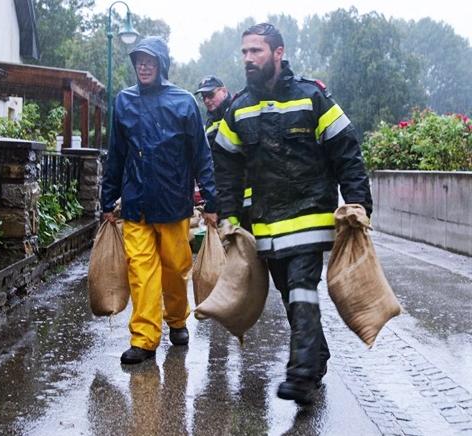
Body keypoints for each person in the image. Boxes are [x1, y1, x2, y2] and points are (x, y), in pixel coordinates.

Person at [215, 23, 373, 403]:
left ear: (278, 52)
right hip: (267, 226)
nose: (248, 59)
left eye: (256, 51)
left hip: (309, 220)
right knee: (292, 297)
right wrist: (228, 215)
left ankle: (301, 375)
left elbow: (346, 150)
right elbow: (226, 164)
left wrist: (358, 203)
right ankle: (316, 355)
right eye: (244, 52)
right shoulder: (238, 109)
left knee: (303, 288)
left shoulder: (311, 97)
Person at [101, 36, 219, 365]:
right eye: (138, 60)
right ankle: (144, 338)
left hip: (173, 205)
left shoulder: (183, 103)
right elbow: (117, 155)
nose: (143, 65)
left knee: (175, 270)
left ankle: (178, 319)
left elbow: (201, 156)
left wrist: (211, 200)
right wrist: (107, 200)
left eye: (150, 60)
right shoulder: (124, 102)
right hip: (136, 205)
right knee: (141, 272)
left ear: (162, 64)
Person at [194, 76, 252, 230]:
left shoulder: (237, 112)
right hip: (222, 195)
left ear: (224, 91)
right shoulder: (209, 123)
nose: (207, 100)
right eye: (204, 97)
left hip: (246, 194)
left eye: (210, 95)